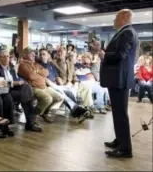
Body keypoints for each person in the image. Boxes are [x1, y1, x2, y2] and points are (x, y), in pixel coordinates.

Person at [99, 9, 138, 158]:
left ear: (124, 18)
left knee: (120, 114)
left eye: (116, 17)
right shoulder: (126, 32)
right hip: (119, 79)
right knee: (118, 113)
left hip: (119, 80)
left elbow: (119, 55)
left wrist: (104, 55)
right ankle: (120, 140)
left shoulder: (127, 33)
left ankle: (125, 149)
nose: (114, 20)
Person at [37, 48, 93, 122]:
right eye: (40, 54)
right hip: (48, 86)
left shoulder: (50, 65)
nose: (42, 56)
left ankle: (78, 111)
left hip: (60, 84)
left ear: (48, 56)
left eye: (44, 54)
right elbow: (44, 78)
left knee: (70, 92)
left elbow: (57, 76)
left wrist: (65, 83)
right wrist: (57, 86)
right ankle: (78, 111)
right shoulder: (38, 65)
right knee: (63, 94)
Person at [0, 49, 42, 132]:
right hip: (4, 91)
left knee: (26, 87)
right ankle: (30, 123)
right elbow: (1, 84)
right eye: (4, 56)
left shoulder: (11, 69)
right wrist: (16, 83)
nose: (6, 58)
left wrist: (20, 82)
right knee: (26, 97)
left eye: (8, 56)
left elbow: (17, 78)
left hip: (14, 90)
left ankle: (29, 120)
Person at [18, 48, 64, 123]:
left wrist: (37, 71)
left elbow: (46, 72)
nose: (34, 55)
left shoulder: (36, 64)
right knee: (48, 99)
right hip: (34, 88)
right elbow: (31, 76)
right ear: (25, 56)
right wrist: (39, 74)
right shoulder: (23, 65)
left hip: (44, 87)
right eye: (31, 54)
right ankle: (32, 116)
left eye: (34, 53)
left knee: (59, 98)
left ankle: (43, 112)